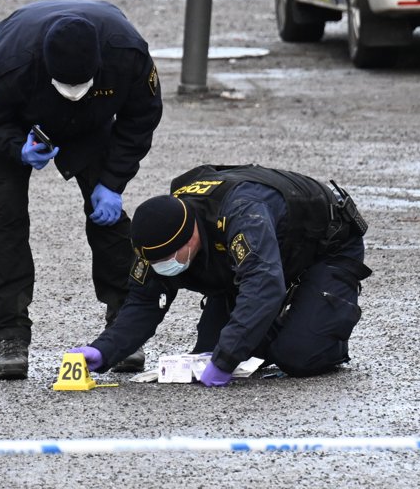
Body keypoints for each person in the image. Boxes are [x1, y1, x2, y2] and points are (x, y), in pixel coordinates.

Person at [0, 0, 163, 379]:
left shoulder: (127, 55)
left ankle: (125, 329)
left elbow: (142, 117)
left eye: (81, 85)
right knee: (9, 217)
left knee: (107, 217)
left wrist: (113, 181)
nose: (72, 92)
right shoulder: (7, 62)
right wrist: (15, 148)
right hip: (18, 119)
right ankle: (10, 335)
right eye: (64, 86)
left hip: (92, 123)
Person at [70, 164, 372, 385]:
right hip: (264, 255)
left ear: (192, 238)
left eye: (169, 259)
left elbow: (264, 286)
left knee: (295, 354)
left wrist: (226, 360)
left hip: (325, 246)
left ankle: (318, 327)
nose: (164, 266)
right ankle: (278, 326)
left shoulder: (242, 215)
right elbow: (144, 302)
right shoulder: (159, 234)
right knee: (209, 352)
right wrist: (103, 350)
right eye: (156, 261)